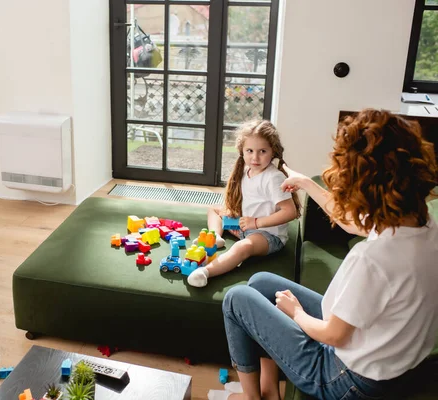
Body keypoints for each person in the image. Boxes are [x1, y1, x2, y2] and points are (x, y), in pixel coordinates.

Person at [218, 109, 438, 400]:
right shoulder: (420, 224)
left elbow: (335, 336)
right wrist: (306, 183)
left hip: (345, 378)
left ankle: (252, 398)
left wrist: (295, 312)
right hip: (381, 354)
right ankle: (269, 390)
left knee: (236, 299)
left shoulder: (374, 258)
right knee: (260, 282)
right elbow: (350, 221)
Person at [187, 120, 300, 288]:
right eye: (250, 151)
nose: (255, 157)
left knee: (243, 247)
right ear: (242, 151)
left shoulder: (274, 178)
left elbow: (290, 212)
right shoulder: (245, 171)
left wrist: (256, 223)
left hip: (267, 235)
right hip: (245, 225)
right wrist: (235, 213)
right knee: (214, 209)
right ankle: (215, 237)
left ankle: (205, 272)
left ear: (273, 151)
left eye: (262, 151)